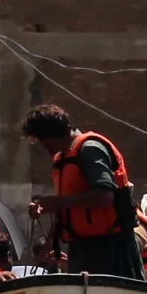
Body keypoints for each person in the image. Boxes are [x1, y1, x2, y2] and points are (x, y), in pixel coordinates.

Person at [19, 104, 135, 276]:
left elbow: (105, 196)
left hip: (111, 247)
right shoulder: (63, 157)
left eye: (37, 139)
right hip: (82, 247)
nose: (39, 145)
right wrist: (46, 208)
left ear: (48, 136)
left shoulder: (90, 149)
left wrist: (58, 202)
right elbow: (73, 204)